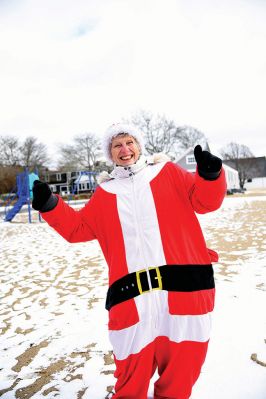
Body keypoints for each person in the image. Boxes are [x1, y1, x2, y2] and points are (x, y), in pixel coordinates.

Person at [32, 123, 226, 399]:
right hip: (131, 298)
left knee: (182, 370)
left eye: (129, 142)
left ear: (139, 145)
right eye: (117, 145)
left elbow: (205, 202)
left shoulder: (167, 172)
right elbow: (78, 229)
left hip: (184, 290)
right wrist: (50, 204)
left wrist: (210, 174)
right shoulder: (105, 193)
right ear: (110, 154)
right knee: (130, 377)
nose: (125, 149)